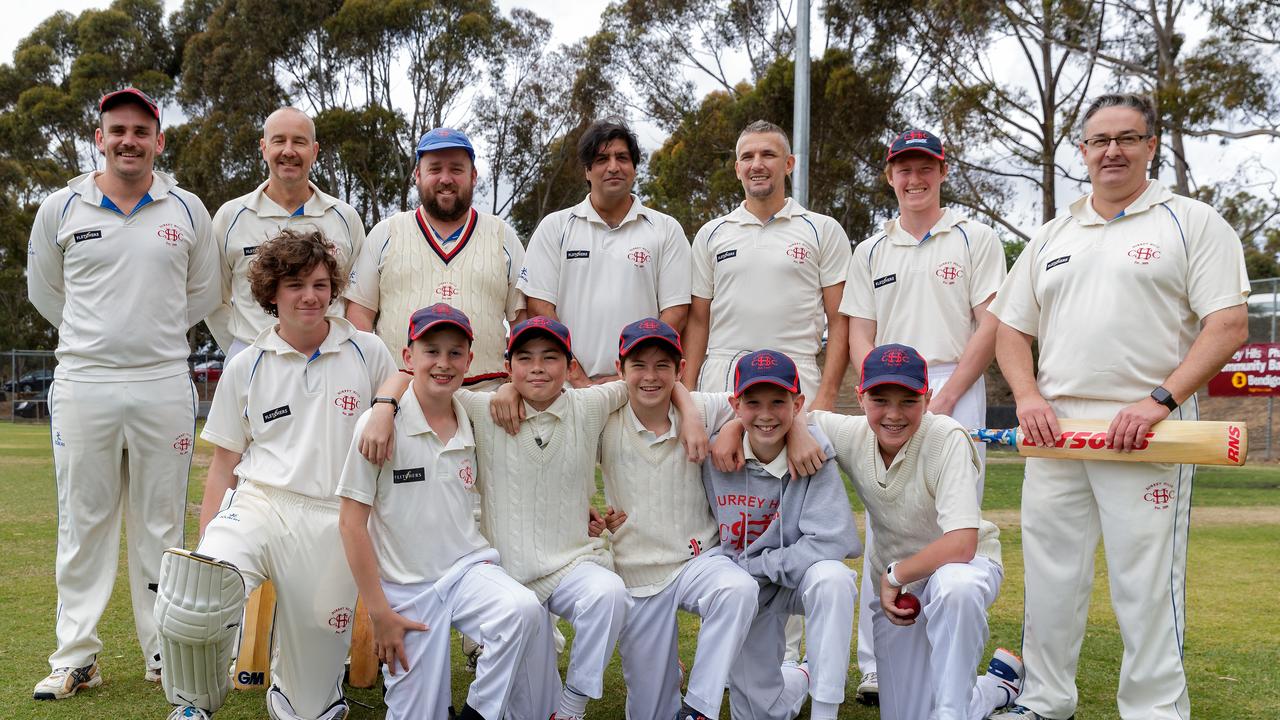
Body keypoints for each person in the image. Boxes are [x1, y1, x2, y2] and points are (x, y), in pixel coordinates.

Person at [988, 93, 1249, 720]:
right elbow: (1009, 330)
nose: (1112, 151)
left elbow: (1228, 323)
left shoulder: (1191, 222)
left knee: (1146, 581)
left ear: (1150, 145)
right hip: (1057, 427)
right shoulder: (1053, 233)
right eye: (1099, 140)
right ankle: (1046, 700)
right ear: (1081, 151)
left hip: (1148, 428)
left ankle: (1155, 710)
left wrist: (1160, 400)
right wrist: (1027, 399)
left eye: (1127, 138)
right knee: (1051, 575)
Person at [361, 316, 704, 719]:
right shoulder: (482, 407)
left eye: (550, 357)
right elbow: (416, 377)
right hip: (506, 575)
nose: (538, 368)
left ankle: (572, 707)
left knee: (609, 594)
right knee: (528, 711)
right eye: (524, 358)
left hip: (570, 566)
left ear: (570, 366)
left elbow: (654, 376)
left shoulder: (590, 403)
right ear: (509, 367)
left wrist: (693, 416)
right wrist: (384, 405)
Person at [153, 230, 397, 720]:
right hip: (259, 504)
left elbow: (408, 375)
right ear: (271, 293)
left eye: (321, 284)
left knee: (310, 709)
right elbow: (224, 463)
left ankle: (300, 697)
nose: (310, 295)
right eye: (296, 284)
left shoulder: (368, 352)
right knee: (198, 593)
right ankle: (193, 705)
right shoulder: (247, 364)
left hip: (334, 519)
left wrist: (388, 402)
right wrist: (207, 549)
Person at [27, 87, 219, 701]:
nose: (129, 140)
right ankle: (76, 656)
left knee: (161, 525)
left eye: (142, 130)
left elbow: (203, 294)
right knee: (82, 524)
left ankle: (163, 652)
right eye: (118, 130)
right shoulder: (61, 208)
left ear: (159, 141)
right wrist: (101, 340)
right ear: (99, 137)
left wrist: (150, 340)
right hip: (85, 382)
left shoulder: (187, 209)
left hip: (163, 381)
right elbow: (46, 295)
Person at [839, 128, 1007, 703]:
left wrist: (945, 396)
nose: (915, 179)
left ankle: (949, 650)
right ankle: (879, 664)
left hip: (951, 384)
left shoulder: (975, 238)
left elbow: (989, 325)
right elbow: (860, 331)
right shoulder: (871, 250)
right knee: (884, 512)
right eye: (903, 169)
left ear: (942, 172)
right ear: (890, 175)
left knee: (950, 517)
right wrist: (874, 394)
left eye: (925, 168)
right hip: (887, 385)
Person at [337, 304, 552, 720]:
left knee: (522, 610)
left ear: (470, 360)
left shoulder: (472, 413)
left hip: (467, 570)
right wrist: (379, 613)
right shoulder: (380, 424)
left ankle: (478, 713)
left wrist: (508, 387)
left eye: (455, 353)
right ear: (408, 357)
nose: (443, 363)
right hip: (406, 591)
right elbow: (350, 524)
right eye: (431, 350)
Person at [793, 343, 1022, 720]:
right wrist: (742, 428)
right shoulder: (850, 433)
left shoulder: (946, 436)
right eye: (880, 400)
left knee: (955, 587)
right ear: (860, 397)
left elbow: (963, 544)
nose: (894, 415)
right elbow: (776, 414)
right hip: (900, 593)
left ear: (928, 397)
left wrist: (894, 574)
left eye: (909, 401)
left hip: (965, 566)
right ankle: (996, 688)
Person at [594, 318, 758, 720]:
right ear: (620, 369)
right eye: (639, 365)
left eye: (663, 365)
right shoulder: (603, 413)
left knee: (737, 589)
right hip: (638, 573)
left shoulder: (700, 407)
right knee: (650, 712)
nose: (651, 377)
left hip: (697, 559)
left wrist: (733, 427)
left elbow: (754, 404)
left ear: (680, 369)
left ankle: (699, 708)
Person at [701, 350, 859, 720]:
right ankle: (800, 676)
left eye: (778, 402)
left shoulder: (812, 455)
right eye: (753, 403)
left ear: (798, 404)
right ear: (734, 405)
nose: (767, 414)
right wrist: (730, 429)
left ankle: (825, 710)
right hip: (746, 586)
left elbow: (838, 539)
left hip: (787, 577)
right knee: (758, 713)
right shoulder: (716, 455)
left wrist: (762, 564)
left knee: (833, 580)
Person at [683, 120, 852, 412]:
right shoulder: (711, 234)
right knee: (719, 460)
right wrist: (685, 393)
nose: (756, 164)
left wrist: (826, 396)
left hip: (796, 377)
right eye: (748, 157)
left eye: (768, 155)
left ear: (788, 164)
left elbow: (839, 321)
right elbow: (698, 321)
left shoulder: (823, 230)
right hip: (722, 380)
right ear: (737, 169)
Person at [346, 127, 525, 388]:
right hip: (401, 398)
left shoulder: (503, 236)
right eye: (434, 169)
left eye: (456, 169)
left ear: (473, 175)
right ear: (417, 175)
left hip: (487, 398)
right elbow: (359, 314)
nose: (445, 179)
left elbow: (521, 322)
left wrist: (514, 386)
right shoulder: (386, 233)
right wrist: (378, 386)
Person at [518, 120, 691, 386]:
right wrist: (577, 377)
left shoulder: (666, 229)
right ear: (587, 171)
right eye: (601, 159)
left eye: (622, 158)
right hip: (567, 389)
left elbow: (675, 312)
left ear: (634, 169)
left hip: (640, 390)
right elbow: (539, 308)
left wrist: (630, 375)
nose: (613, 167)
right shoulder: (555, 227)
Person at [206, 107, 365, 361]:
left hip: (330, 360)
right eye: (279, 140)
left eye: (299, 142)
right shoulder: (230, 216)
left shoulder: (345, 217)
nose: (288, 151)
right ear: (264, 148)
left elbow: (358, 297)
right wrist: (243, 352)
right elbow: (213, 299)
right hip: (253, 358)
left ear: (314, 152)